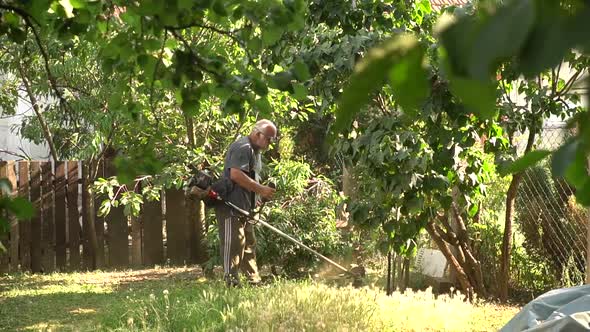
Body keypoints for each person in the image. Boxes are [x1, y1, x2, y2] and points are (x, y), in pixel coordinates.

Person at [215, 119, 277, 287]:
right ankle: (231, 281)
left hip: (245, 207)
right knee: (233, 244)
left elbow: (250, 177)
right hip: (230, 206)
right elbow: (236, 175)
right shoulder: (243, 147)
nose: (270, 144)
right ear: (258, 134)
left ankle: (253, 280)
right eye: (269, 139)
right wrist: (261, 190)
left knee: (248, 244)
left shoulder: (255, 151)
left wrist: (256, 199)